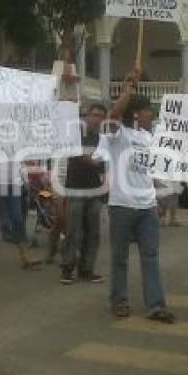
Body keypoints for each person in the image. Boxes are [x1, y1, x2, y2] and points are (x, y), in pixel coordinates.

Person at [96, 71, 174, 323]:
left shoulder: (150, 138)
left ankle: (155, 305)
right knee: (120, 258)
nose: (152, 114)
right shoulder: (120, 135)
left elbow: (152, 172)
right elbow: (114, 116)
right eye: (149, 111)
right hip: (122, 206)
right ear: (137, 114)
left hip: (147, 207)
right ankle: (119, 302)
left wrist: (159, 200)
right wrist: (127, 89)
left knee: (150, 257)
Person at [60, 103, 107, 285]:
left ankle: (87, 269)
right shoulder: (75, 134)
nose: (97, 119)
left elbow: (106, 162)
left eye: (101, 116)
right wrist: (92, 160)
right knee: (73, 230)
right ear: (86, 116)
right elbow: (73, 153)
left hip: (95, 190)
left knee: (93, 232)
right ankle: (67, 267)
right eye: (94, 115)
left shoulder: (103, 138)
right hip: (75, 188)